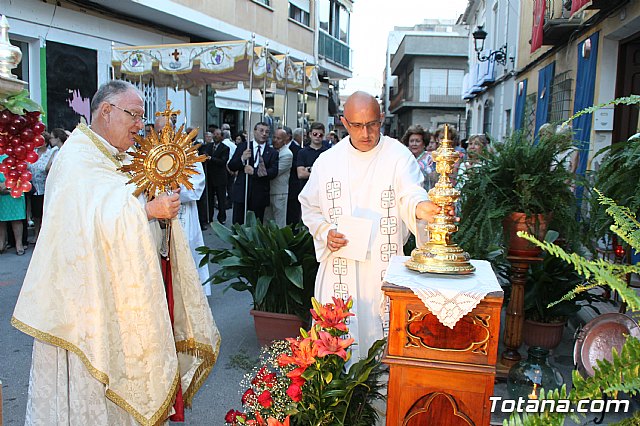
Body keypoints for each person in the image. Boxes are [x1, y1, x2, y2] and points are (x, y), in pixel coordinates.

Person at [12, 80, 220, 425]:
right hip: (85, 306)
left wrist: (155, 207)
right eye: (134, 116)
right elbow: (90, 223)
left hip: (119, 294)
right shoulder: (78, 157)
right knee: (90, 390)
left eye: (142, 116)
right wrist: (147, 212)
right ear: (106, 112)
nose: (141, 125)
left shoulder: (117, 156)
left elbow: (120, 205)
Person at [299, 91, 440, 361]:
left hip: (383, 266)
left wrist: (421, 207)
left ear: (382, 119)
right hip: (341, 264)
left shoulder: (398, 155)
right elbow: (310, 205)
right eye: (357, 125)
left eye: (373, 124)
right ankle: (339, 401)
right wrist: (324, 233)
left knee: (381, 337)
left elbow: (411, 191)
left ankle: (381, 400)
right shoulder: (328, 161)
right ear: (343, 122)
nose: (366, 133)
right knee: (337, 345)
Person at [155, 115, 212, 296]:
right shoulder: (150, 153)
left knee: (184, 257)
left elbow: (197, 187)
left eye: (166, 131)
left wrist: (172, 189)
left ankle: (188, 295)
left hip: (182, 214)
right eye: (158, 132)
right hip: (155, 217)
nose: (162, 135)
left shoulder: (188, 153)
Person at [228, 122, 279, 224]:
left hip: (260, 193)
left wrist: (254, 172)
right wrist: (242, 159)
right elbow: (231, 166)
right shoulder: (243, 147)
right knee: (238, 222)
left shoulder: (272, 152)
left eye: (267, 132)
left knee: (257, 224)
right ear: (254, 132)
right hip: (242, 191)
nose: (264, 134)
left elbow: (273, 172)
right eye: (261, 131)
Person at [264, 128, 293, 227]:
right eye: (274, 137)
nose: (275, 140)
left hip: (279, 193)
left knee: (279, 223)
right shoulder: (269, 150)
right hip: (267, 191)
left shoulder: (287, 154)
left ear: (285, 141)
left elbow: (274, 172)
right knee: (267, 221)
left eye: (279, 138)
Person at [204, 128, 230, 224]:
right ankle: (209, 218)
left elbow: (223, 161)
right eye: (214, 134)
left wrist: (211, 158)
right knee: (210, 199)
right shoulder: (209, 146)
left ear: (222, 137)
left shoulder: (225, 148)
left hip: (220, 178)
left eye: (218, 134)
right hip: (210, 177)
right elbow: (204, 154)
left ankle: (221, 218)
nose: (216, 136)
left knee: (221, 199)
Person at [401, 124, 436, 191]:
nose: (414, 144)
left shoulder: (431, 158)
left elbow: (434, 179)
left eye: (417, 141)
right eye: (411, 141)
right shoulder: (405, 158)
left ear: (424, 143)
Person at [296, 122, 328, 190]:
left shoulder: (328, 152)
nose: (317, 137)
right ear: (310, 134)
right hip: (306, 190)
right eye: (315, 134)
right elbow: (301, 174)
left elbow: (329, 173)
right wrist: (319, 174)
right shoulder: (302, 152)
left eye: (320, 135)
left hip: (322, 190)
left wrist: (309, 170)